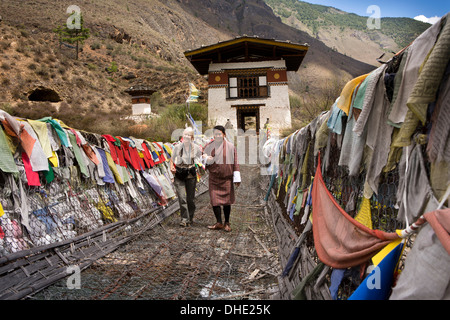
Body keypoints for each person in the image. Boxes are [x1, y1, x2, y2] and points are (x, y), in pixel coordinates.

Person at [202, 125, 241, 232]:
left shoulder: (231, 147)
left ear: (224, 134)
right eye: (216, 134)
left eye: (220, 134)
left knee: (227, 202)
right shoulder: (209, 146)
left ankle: (227, 223)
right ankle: (219, 222)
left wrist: (236, 177)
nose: (218, 136)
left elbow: (235, 162)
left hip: (226, 179)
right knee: (214, 201)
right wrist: (206, 158)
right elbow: (202, 156)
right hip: (214, 179)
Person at [170, 127, 202, 227]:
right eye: (185, 134)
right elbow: (172, 159)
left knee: (190, 199)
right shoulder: (177, 147)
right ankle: (184, 219)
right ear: (182, 136)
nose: (187, 137)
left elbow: (200, 159)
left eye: (189, 135)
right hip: (179, 174)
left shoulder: (196, 148)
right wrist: (172, 168)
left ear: (192, 137)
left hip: (190, 175)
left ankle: (190, 218)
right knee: (182, 197)